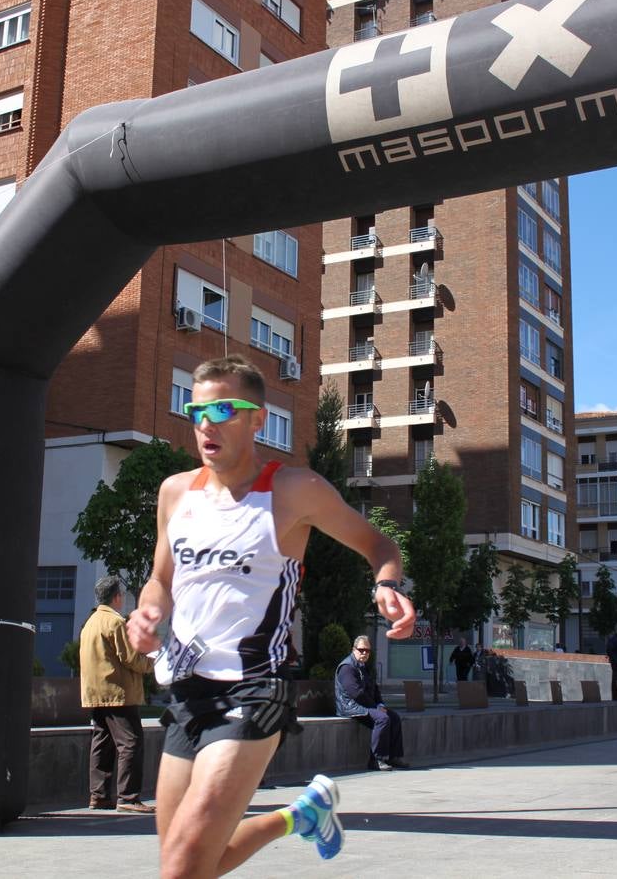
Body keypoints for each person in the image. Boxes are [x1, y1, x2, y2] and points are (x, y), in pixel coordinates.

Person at [125, 355, 416, 877]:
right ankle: (301, 815)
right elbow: (161, 580)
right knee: (186, 866)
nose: (206, 424)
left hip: (253, 689)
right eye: (197, 411)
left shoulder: (292, 490)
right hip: (187, 693)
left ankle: (298, 816)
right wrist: (147, 612)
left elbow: (378, 544)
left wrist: (387, 585)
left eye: (223, 409)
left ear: (258, 418)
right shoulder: (175, 493)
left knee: (182, 869)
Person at [80, 576, 155, 814]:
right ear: (117, 597)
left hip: (96, 692)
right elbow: (131, 658)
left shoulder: (91, 621)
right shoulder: (115, 622)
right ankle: (128, 798)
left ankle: (99, 796)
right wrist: (153, 663)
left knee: (102, 743)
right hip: (117, 692)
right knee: (131, 742)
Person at [335, 635, 408, 771]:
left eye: (367, 651)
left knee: (394, 717)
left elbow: (374, 689)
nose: (364, 653)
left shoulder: (363, 666)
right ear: (354, 649)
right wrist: (375, 707)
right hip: (350, 706)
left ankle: (394, 757)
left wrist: (380, 705)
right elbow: (356, 694)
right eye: (361, 650)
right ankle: (376, 760)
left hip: (364, 705)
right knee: (382, 719)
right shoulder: (347, 667)